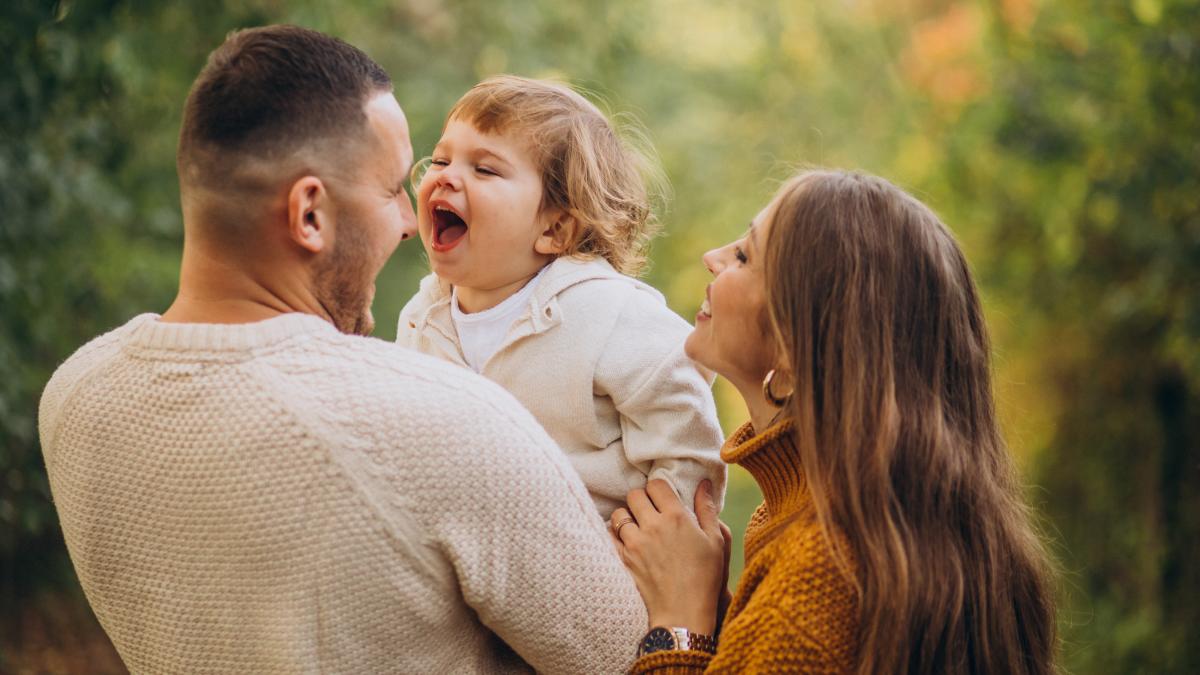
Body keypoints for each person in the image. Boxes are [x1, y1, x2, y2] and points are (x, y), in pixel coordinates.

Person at [38, 26, 646, 674]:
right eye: (392, 190)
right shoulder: (448, 425)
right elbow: (629, 660)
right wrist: (688, 618)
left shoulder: (74, 395)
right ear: (309, 214)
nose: (411, 221)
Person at [610, 170, 1058, 673]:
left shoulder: (817, 573)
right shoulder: (883, 525)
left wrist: (680, 627)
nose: (712, 258)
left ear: (796, 342)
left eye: (744, 256)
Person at [397, 75, 726, 519]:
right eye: (439, 159)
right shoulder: (422, 318)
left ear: (554, 229)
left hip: (592, 562)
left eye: (485, 169)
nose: (446, 178)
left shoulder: (607, 312)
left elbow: (684, 428)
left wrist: (660, 538)